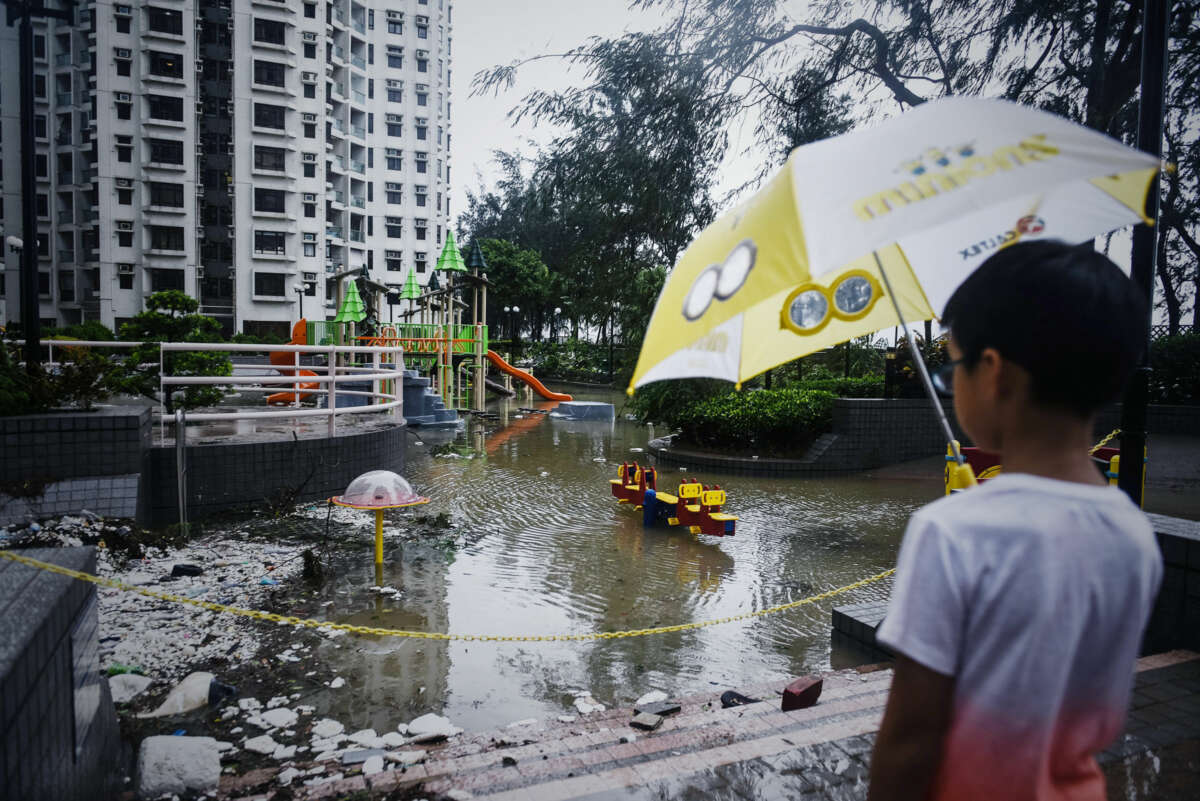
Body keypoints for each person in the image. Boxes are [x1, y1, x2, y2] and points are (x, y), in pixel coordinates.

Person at [867, 240, 1162, 801]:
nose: (953, 388)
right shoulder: (1134, 534)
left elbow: (910, 739)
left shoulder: (951, 533)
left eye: (955, 368)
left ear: (995, 373)